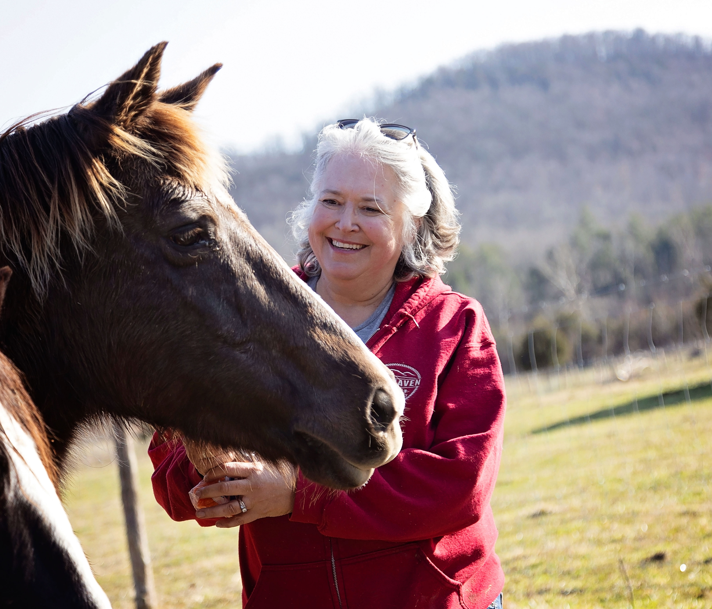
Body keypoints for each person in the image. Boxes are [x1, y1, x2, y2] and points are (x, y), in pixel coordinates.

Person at [148, 118, 506, 609]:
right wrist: (216, 479)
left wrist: (301, 492)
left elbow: (459, 485)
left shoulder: (453, 325)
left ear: (412, 225)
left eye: (371, 208)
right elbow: (171, 470)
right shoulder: (253, 314)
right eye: (331, 201)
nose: (345, 222)